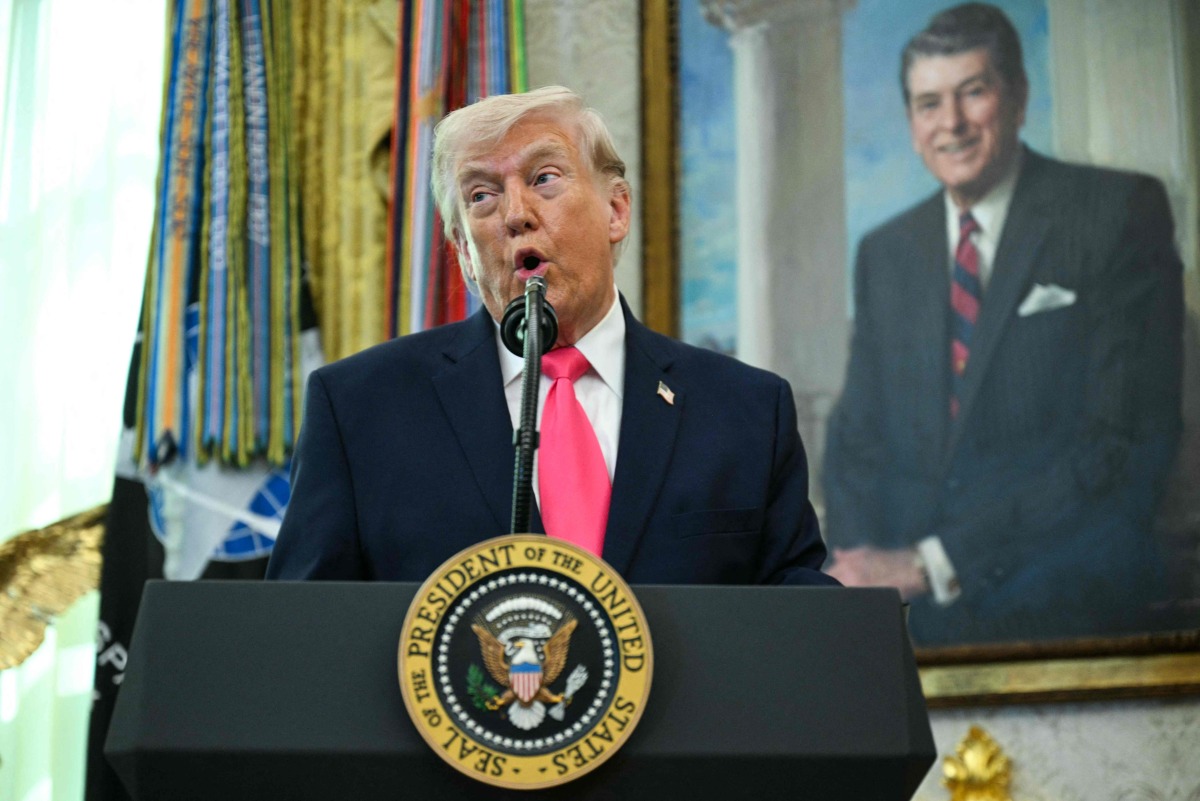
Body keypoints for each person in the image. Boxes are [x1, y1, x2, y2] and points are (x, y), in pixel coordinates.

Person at [267, 86, 835, 587]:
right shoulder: (360, 410)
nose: (515, 214)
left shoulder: (747, 411)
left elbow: (801, 628)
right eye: (481, 196)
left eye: (544, 178)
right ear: (465, 251)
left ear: (615, 210)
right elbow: (303, 638)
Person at [822, 2, 1183, 645]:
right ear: (911, 123)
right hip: (906, 617)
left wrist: (933, 563)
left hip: (1070, 600)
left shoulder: (1114, 214)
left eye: (974, 93)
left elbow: (1119, 448)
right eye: (929, 104)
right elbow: (856, 442)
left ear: (1016, 98)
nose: (952, 124)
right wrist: (860, 570)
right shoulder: (886, 252)